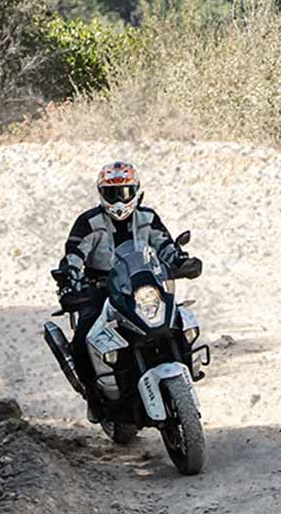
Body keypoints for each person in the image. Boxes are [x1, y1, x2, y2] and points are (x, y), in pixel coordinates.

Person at [55, 161, 190, 423]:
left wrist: (181, 260)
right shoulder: (88, 222)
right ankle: (94, 396)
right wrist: (70, 277)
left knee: (177, 319)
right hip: (100, 289)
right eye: (111, 192)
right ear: (101, 193)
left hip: (141, 284)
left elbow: (165, 246)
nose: (119, 199)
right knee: (84, 337)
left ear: (136, 190)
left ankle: (186, 368)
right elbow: (73, 255)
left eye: (125, 192)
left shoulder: (148, 218)